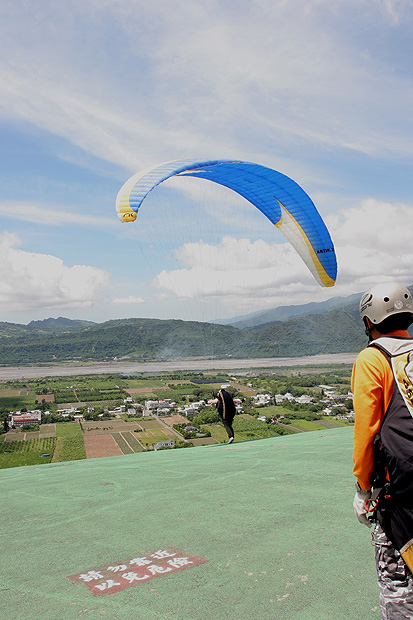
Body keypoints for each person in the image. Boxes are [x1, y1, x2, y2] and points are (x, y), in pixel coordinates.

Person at [352, 281, 413, 619]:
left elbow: (366, 430)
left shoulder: (373, 359)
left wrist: (362, 489)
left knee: (398, 589)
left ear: (368, 322)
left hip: (400, 494)